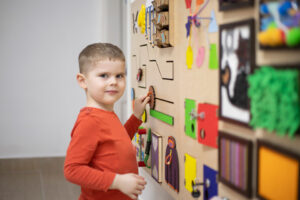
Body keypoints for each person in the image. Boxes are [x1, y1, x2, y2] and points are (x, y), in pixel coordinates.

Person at [64, 43, 149, 200]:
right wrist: (117, 181)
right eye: (104, 75)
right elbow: (72, 170)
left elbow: (118, 141)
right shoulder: (90, 121)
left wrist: (136, 117)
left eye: (119, 75)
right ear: (83, 81)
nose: (113, 82)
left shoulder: (106, 113)